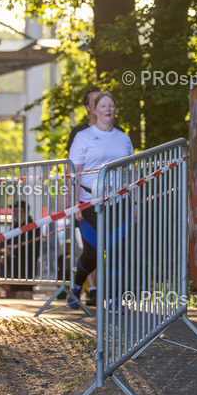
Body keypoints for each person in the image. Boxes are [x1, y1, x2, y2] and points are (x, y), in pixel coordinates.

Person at [66, 91, 134, 309]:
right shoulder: (83, 137)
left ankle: (114, 299)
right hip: (89, 202)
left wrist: (133, 202)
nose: (108, 110)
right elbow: (74, 173)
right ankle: (76, 287)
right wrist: (74, 204)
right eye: (103, 106)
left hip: (118, 201)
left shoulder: (123, 138)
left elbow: (130, 173)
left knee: (117, 249)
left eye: (111, 106)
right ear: (94, 110)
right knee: (93, 253)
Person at [3, 201, 36, 299]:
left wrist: (13, 251)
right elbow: (9, 242)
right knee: (17, 291)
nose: (13, 212)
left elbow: (32, 248)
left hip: (27, 263)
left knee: (26, 290)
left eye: (15, 209)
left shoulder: (32, 226)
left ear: (22, 210)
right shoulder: (14, 226)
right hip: (15, 264)